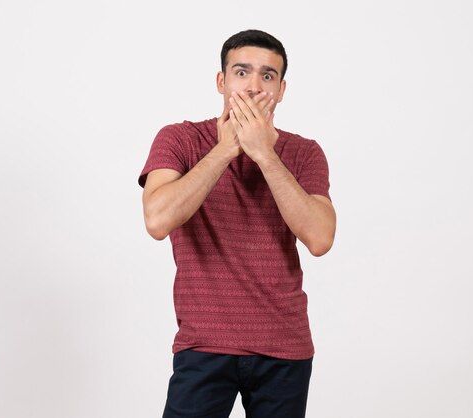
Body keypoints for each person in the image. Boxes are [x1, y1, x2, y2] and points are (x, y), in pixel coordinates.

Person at [138, 29, 336, 418]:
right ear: (221, 81)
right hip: (204, 343)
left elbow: (320, 238)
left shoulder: (304, 152)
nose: (252, 86)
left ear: (281, 90)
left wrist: (265, 154)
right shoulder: (180, 139)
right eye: (242, 73)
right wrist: (227, 147)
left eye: (267, 76)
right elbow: (158, 220)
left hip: (284, 346)